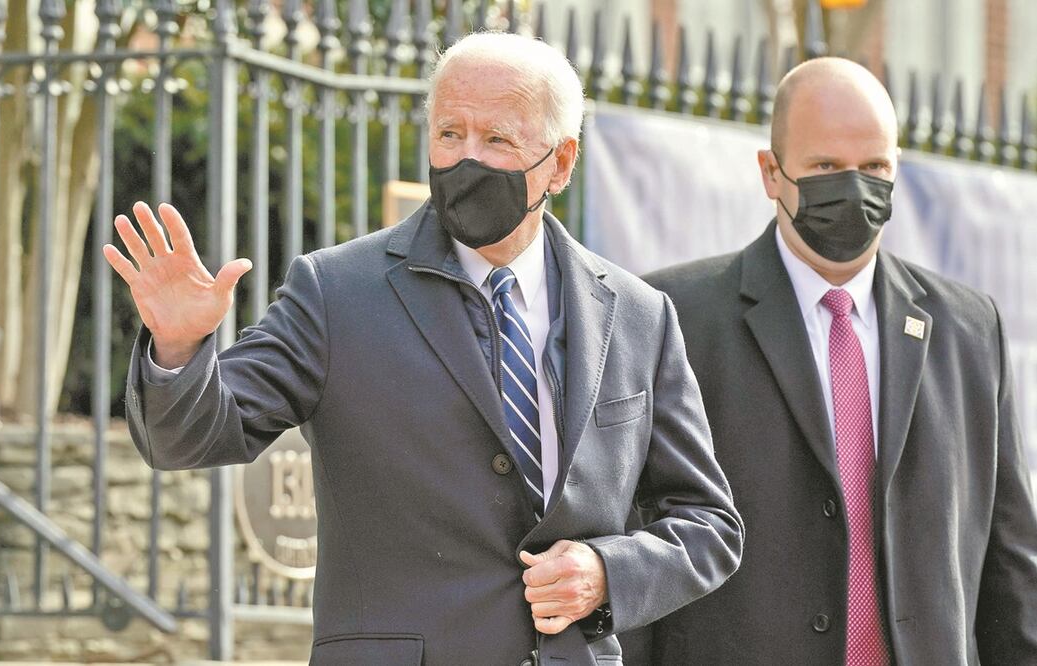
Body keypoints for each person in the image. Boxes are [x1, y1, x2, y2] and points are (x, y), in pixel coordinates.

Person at [105, 32, 743, 665]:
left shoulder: (638, 315)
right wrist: (180, 347)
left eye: (496, 140)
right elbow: (188, 438)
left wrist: (608, 571)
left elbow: (709, 525)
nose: (467, 159)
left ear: (561, 161)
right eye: (448, 134)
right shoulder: (336, 291)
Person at [645, 57, 1037, 664]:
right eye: (826, 167)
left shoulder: (969, 329)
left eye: (875, 167)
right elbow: (643, 544)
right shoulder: (675, 317)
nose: (854, 189)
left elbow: (1012, 567)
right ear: (770, 174)